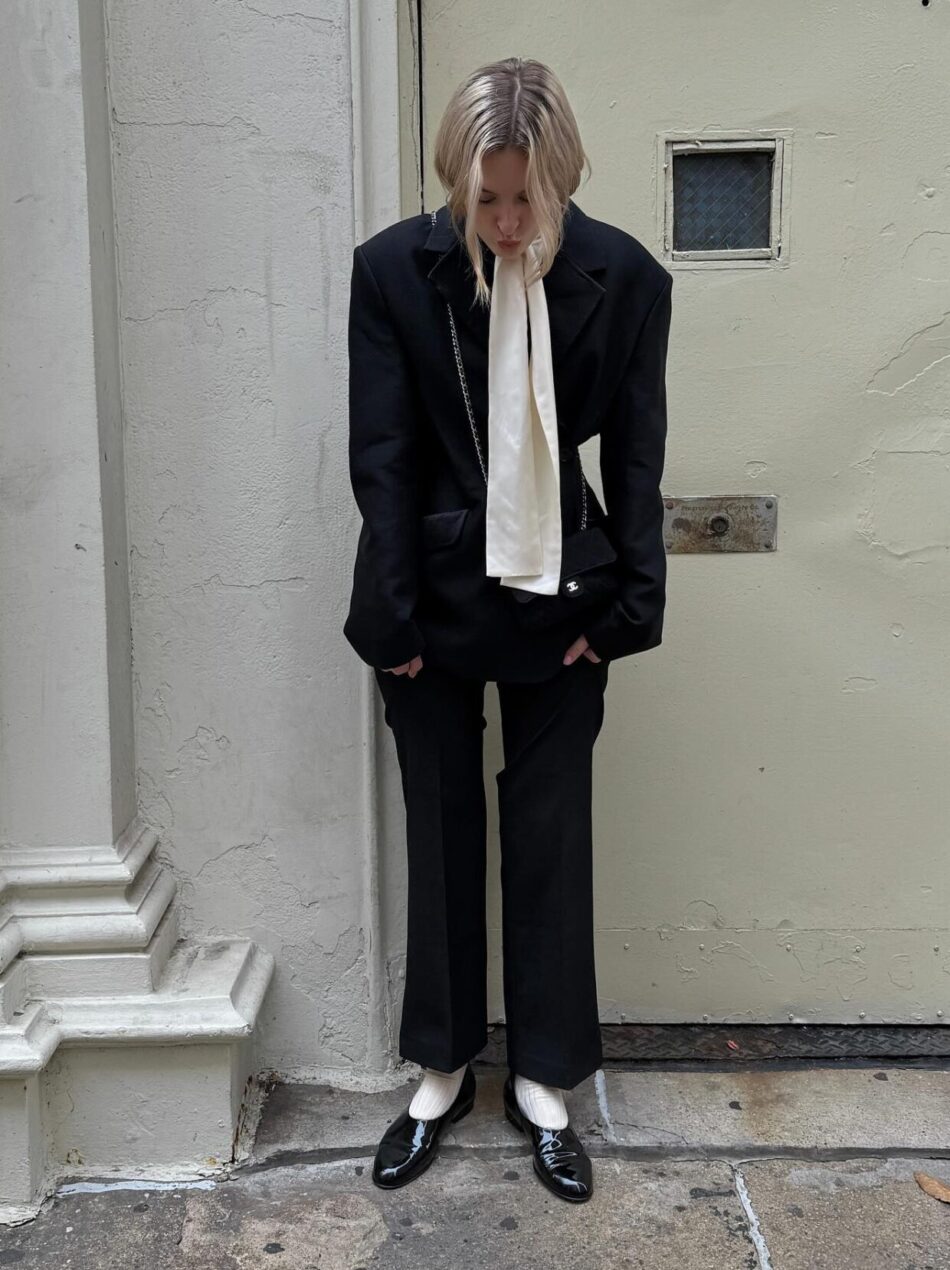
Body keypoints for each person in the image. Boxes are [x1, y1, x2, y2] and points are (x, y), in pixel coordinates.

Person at [343, 56, 673, 1203]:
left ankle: (543, 1081)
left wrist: (624, 614)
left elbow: (636, 457)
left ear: (560, 175)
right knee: (438, 829)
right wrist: (391, 620)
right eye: (481, 198)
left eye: (523, 197)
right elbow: (382, 456)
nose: (502, 222)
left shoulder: (622, 278)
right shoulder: (394, 270)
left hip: (561, 601)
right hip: (428, 602)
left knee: (549, 836)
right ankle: (439, 1070)